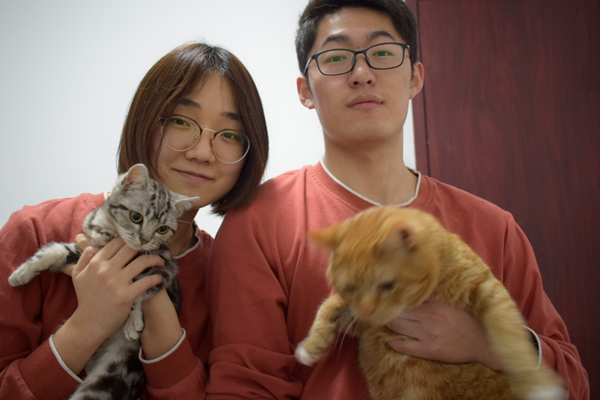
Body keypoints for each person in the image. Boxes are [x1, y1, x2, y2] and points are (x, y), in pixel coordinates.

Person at [206, 1, 589, 399]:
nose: (362, 74)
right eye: (336, 58)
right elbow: (244, 388)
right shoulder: (258, 222)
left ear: (415, 78)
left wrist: (487, 345)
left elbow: (573, 384)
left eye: (383, 53)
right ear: (305, 91)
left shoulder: (494, 227)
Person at [0, 42, 269, 400]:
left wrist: (159, 315)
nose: (202, 152)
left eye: (230, 135)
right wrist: (86, 326)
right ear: (144, 120)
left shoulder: (233, 275)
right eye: (180, 121)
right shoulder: (35, 230)